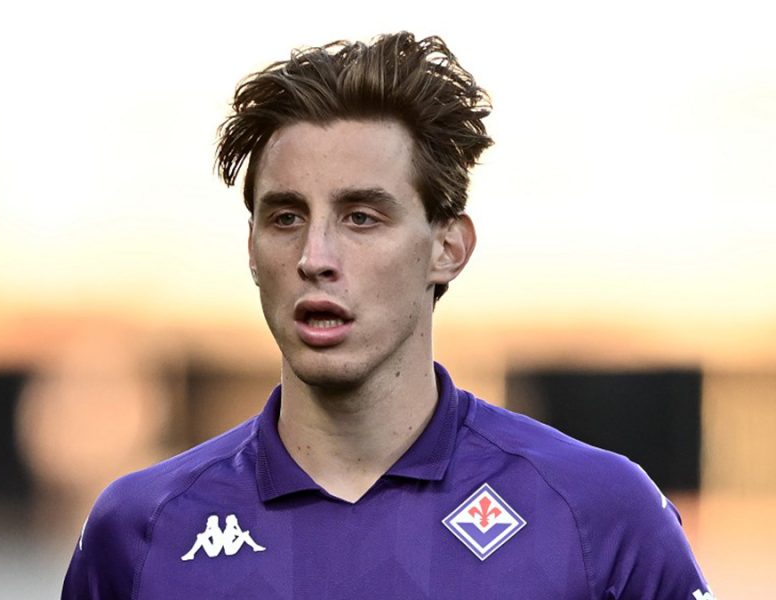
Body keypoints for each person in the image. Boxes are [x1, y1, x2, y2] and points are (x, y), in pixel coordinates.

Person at [62, 32, 713, 599]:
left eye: (361, 218)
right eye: (285, 218)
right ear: (252, 250)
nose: (315, 257)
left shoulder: (597, 515)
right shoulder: (140, 532)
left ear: (447, 248)